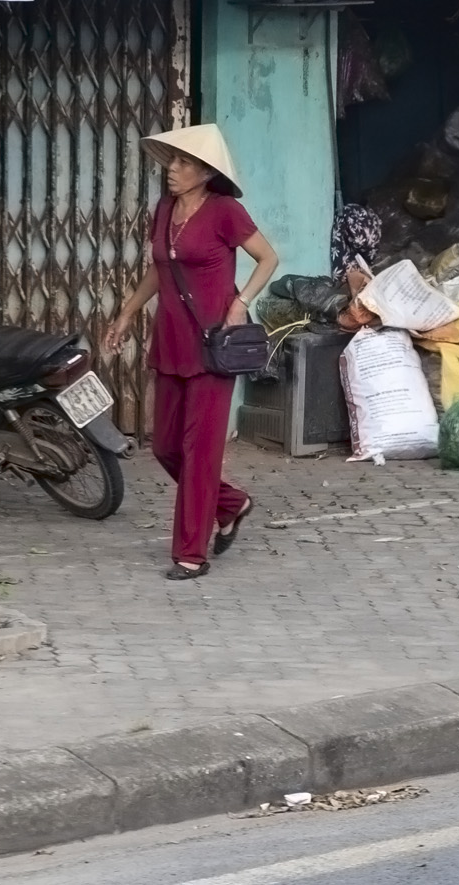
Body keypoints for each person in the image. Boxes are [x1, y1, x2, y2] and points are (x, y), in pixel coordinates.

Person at [106, 124, 279, 580]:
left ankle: (190, 553)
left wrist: (240, 304)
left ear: (205, 172)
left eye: (183, 162)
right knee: (165, 447)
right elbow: (159, 271)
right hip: (170, 342)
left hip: (212, 347)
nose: (172, 169)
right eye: (172, 161)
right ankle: (231, 503)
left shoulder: (225, 211)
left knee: (199, 452)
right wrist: (126, 314)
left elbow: (268, 258)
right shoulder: (164, 209)